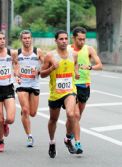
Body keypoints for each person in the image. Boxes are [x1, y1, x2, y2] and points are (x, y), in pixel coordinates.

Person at [40, 30, 79, 158]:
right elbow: (42, 74)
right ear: (56, 41)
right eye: (61, 39)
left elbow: (76, 65)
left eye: (65, 39)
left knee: (71, 114)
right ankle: (52, 142)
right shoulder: (50, 56)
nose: (64, 41)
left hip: (70, 91)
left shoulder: (73, 54)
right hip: (55, 93)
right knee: (53, 119)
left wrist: (77, 72)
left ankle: (68, 139)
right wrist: (51, 68)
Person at [66, 26, 103, 154]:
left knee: (78, 115)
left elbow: (100, 65)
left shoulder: (89, 49)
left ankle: (68, 136)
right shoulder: (68, 50)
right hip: (71, 86)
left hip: (85, 86)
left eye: (83, 39)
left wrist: (90, 67)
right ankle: (77, 143)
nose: (82, 42)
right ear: (73, 38)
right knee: (75, 115)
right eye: (79, 39)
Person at [15, 30, 44, 147]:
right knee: (26, 110)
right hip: (22, 84)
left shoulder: (38, 52)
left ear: (31, 39)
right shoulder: (16, 53)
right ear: (21, 40)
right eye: (24, 38)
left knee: (33, 113)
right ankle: (29, 136)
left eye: (28, 38)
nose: (27, 40)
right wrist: (16, 74)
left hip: (34, 84)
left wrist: (38, 70)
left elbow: (45, 64)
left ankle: (24, 111)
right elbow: (15, 66)